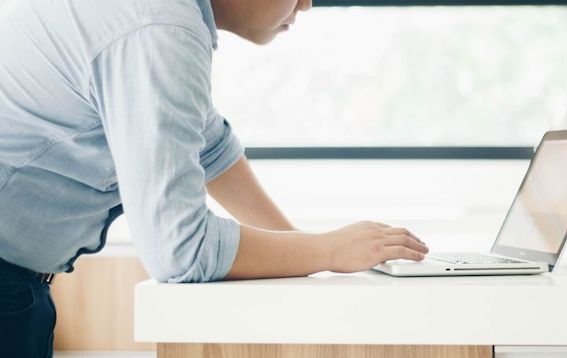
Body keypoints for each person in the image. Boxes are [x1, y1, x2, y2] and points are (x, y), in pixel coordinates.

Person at [0, 0, 429, 356]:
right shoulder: (159, 26)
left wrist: (312, 255)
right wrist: (327, 249)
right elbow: (180, 249)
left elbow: (210, 147)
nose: (307, 3)